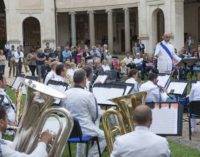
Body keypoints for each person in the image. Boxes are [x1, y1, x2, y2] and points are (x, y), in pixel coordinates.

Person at [61, 69, 106, 157]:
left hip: (69, 130)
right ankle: (90, 155)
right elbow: (95, 115)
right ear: (84, 80)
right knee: (107, 136)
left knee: (82, 134)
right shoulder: (88, 95)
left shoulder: (65, 93)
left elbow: (63, 111)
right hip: (85, 129)